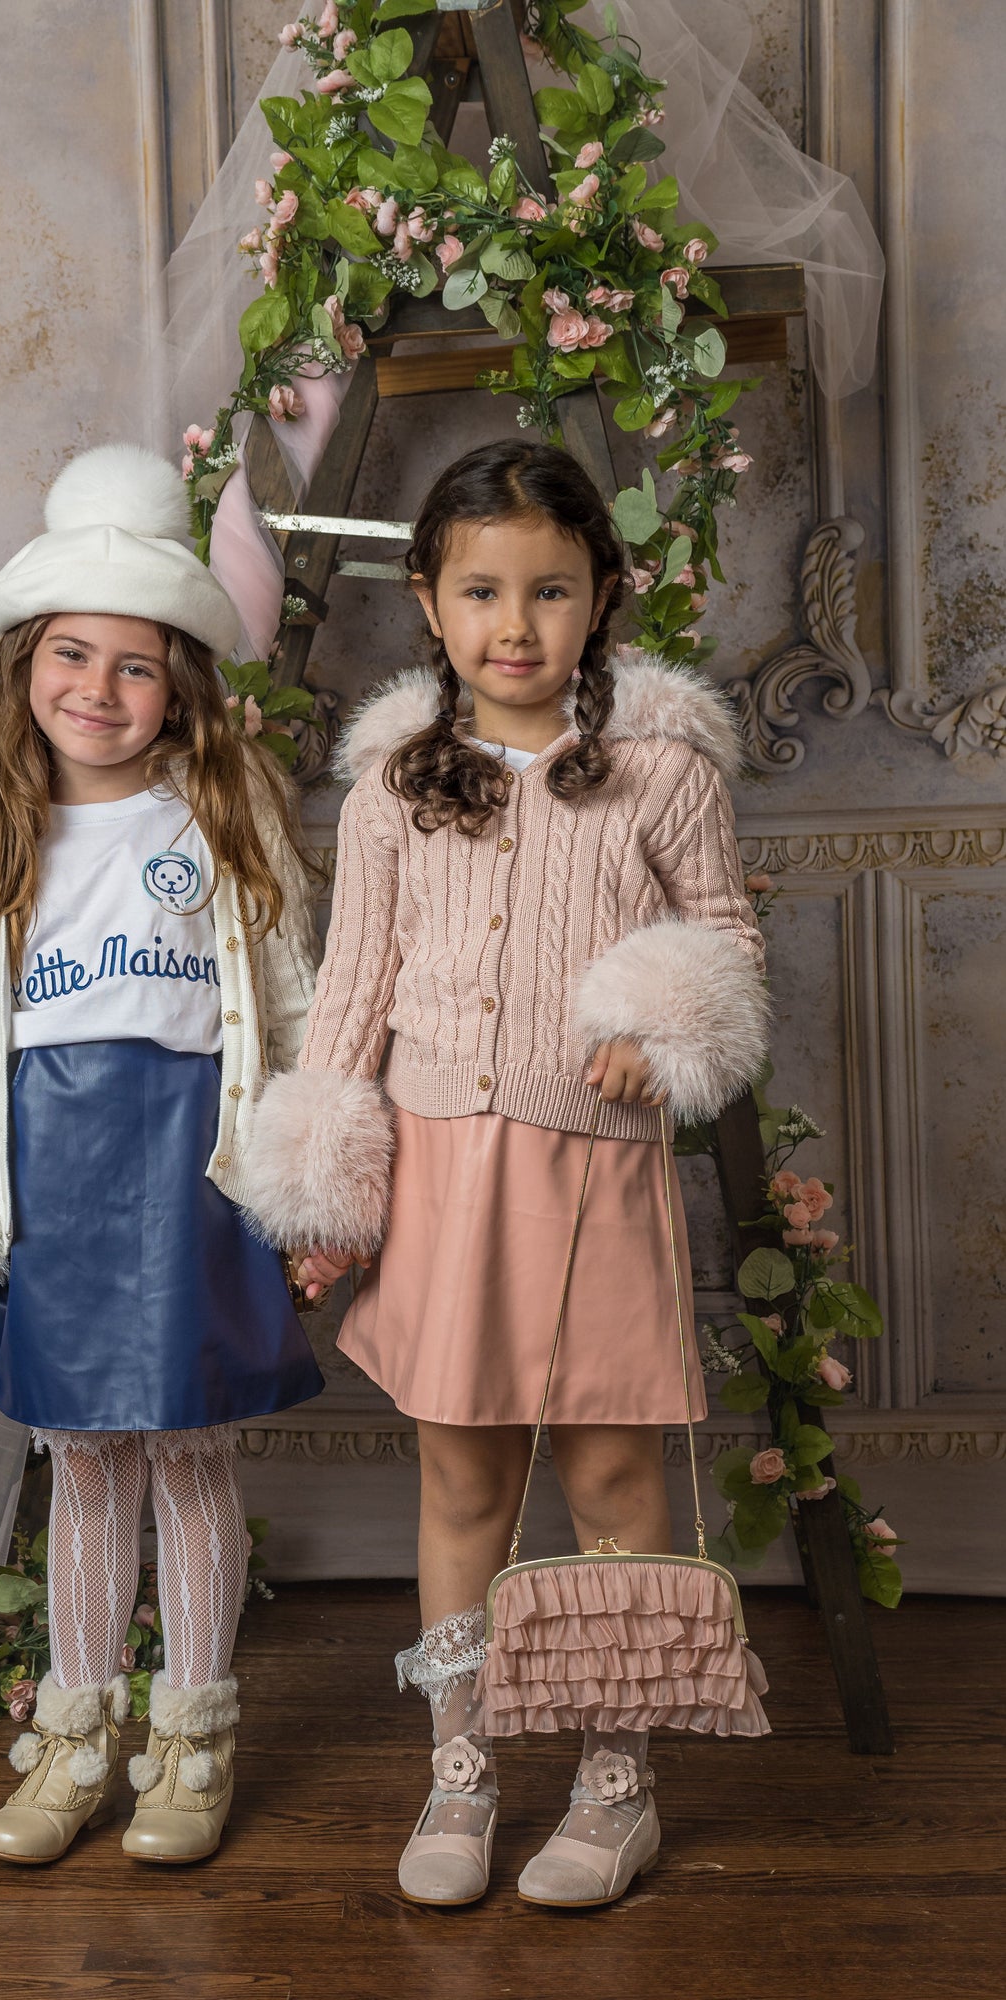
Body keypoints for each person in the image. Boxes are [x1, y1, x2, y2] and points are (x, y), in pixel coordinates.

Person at [241, 437, 767, 1909]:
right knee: (463, 1476)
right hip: (443, 1178)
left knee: (609, 1473)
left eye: (549, 590)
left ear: (601, 596)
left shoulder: (658, 773)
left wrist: (660, 1021)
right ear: (426, 599)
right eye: (480, 591)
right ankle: (459, 1767)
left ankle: (615, 1783)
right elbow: (350, 988)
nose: (515, 625)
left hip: (593, 1176)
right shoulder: (393, 792)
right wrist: (325, 1167)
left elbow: (725, 936)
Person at [0, 442, 324, 1866]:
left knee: (184, 1458)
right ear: (26, 663)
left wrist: (311, 1184)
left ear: (178, 681)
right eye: (71, 656)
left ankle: (191, 1741)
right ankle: (73, 1741)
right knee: (82, 1466)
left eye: (134, 666)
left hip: (186, 1175)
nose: (98, 692)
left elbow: (290, 1001)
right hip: (43, 1175)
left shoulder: (225, 817)